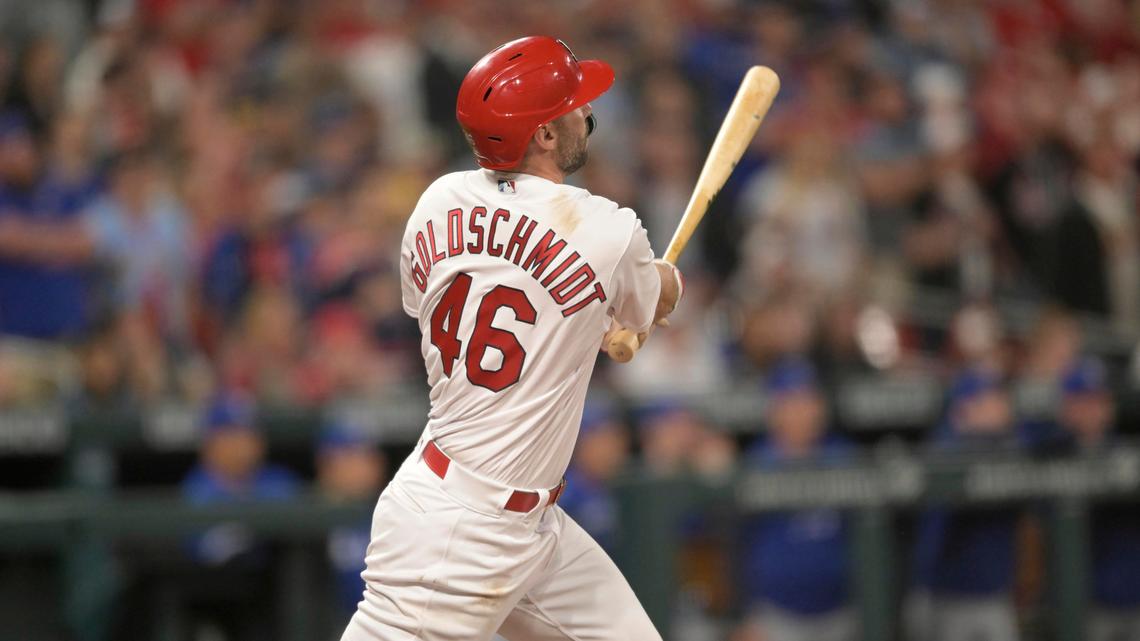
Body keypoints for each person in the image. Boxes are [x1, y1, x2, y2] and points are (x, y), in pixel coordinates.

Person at [340, 36, 683, 641]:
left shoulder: (436, 199)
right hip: (458, 535)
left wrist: (591, 322)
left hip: (522, 521)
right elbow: (655, 301)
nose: (587, 115)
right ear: (544, 135)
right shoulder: (609, 229)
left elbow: (443, 304)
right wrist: (662, 284)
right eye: (574, 106)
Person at [738, 359, 856, 641]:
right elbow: (734, 544)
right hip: (775, 616)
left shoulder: (843, 458)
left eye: (809, 400)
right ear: (774, 410)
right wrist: (743, 614)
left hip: (840, 613)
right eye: (792, 401)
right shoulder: (755, 464)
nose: (803, 411)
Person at [910, 368, 1022, 641]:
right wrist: (922, 591)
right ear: (964, 410)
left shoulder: (1009, 448)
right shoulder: (942, 453)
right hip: (948, 599)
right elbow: (931, 538)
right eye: (991, 400)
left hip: (995, 596)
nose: (1002, 406)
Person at [1033, 359, 1140, 641]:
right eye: (1084, 400)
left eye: (1099, 400)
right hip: (1081, 603)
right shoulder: (1049, 454)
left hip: (1132, 597)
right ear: (1066, 407)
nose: (1094, 409)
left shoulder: (1127, 454)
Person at [314, 418, 388, 618]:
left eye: (368, 456)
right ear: (326, 464)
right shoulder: (311, 518)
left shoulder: (393, 511)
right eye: (351, 456)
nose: (364, 466)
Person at [557, 403, 630, 554]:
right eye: (602, 440)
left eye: (615, 439)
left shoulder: (619, 488)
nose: (611, 449)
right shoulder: (562, 493)